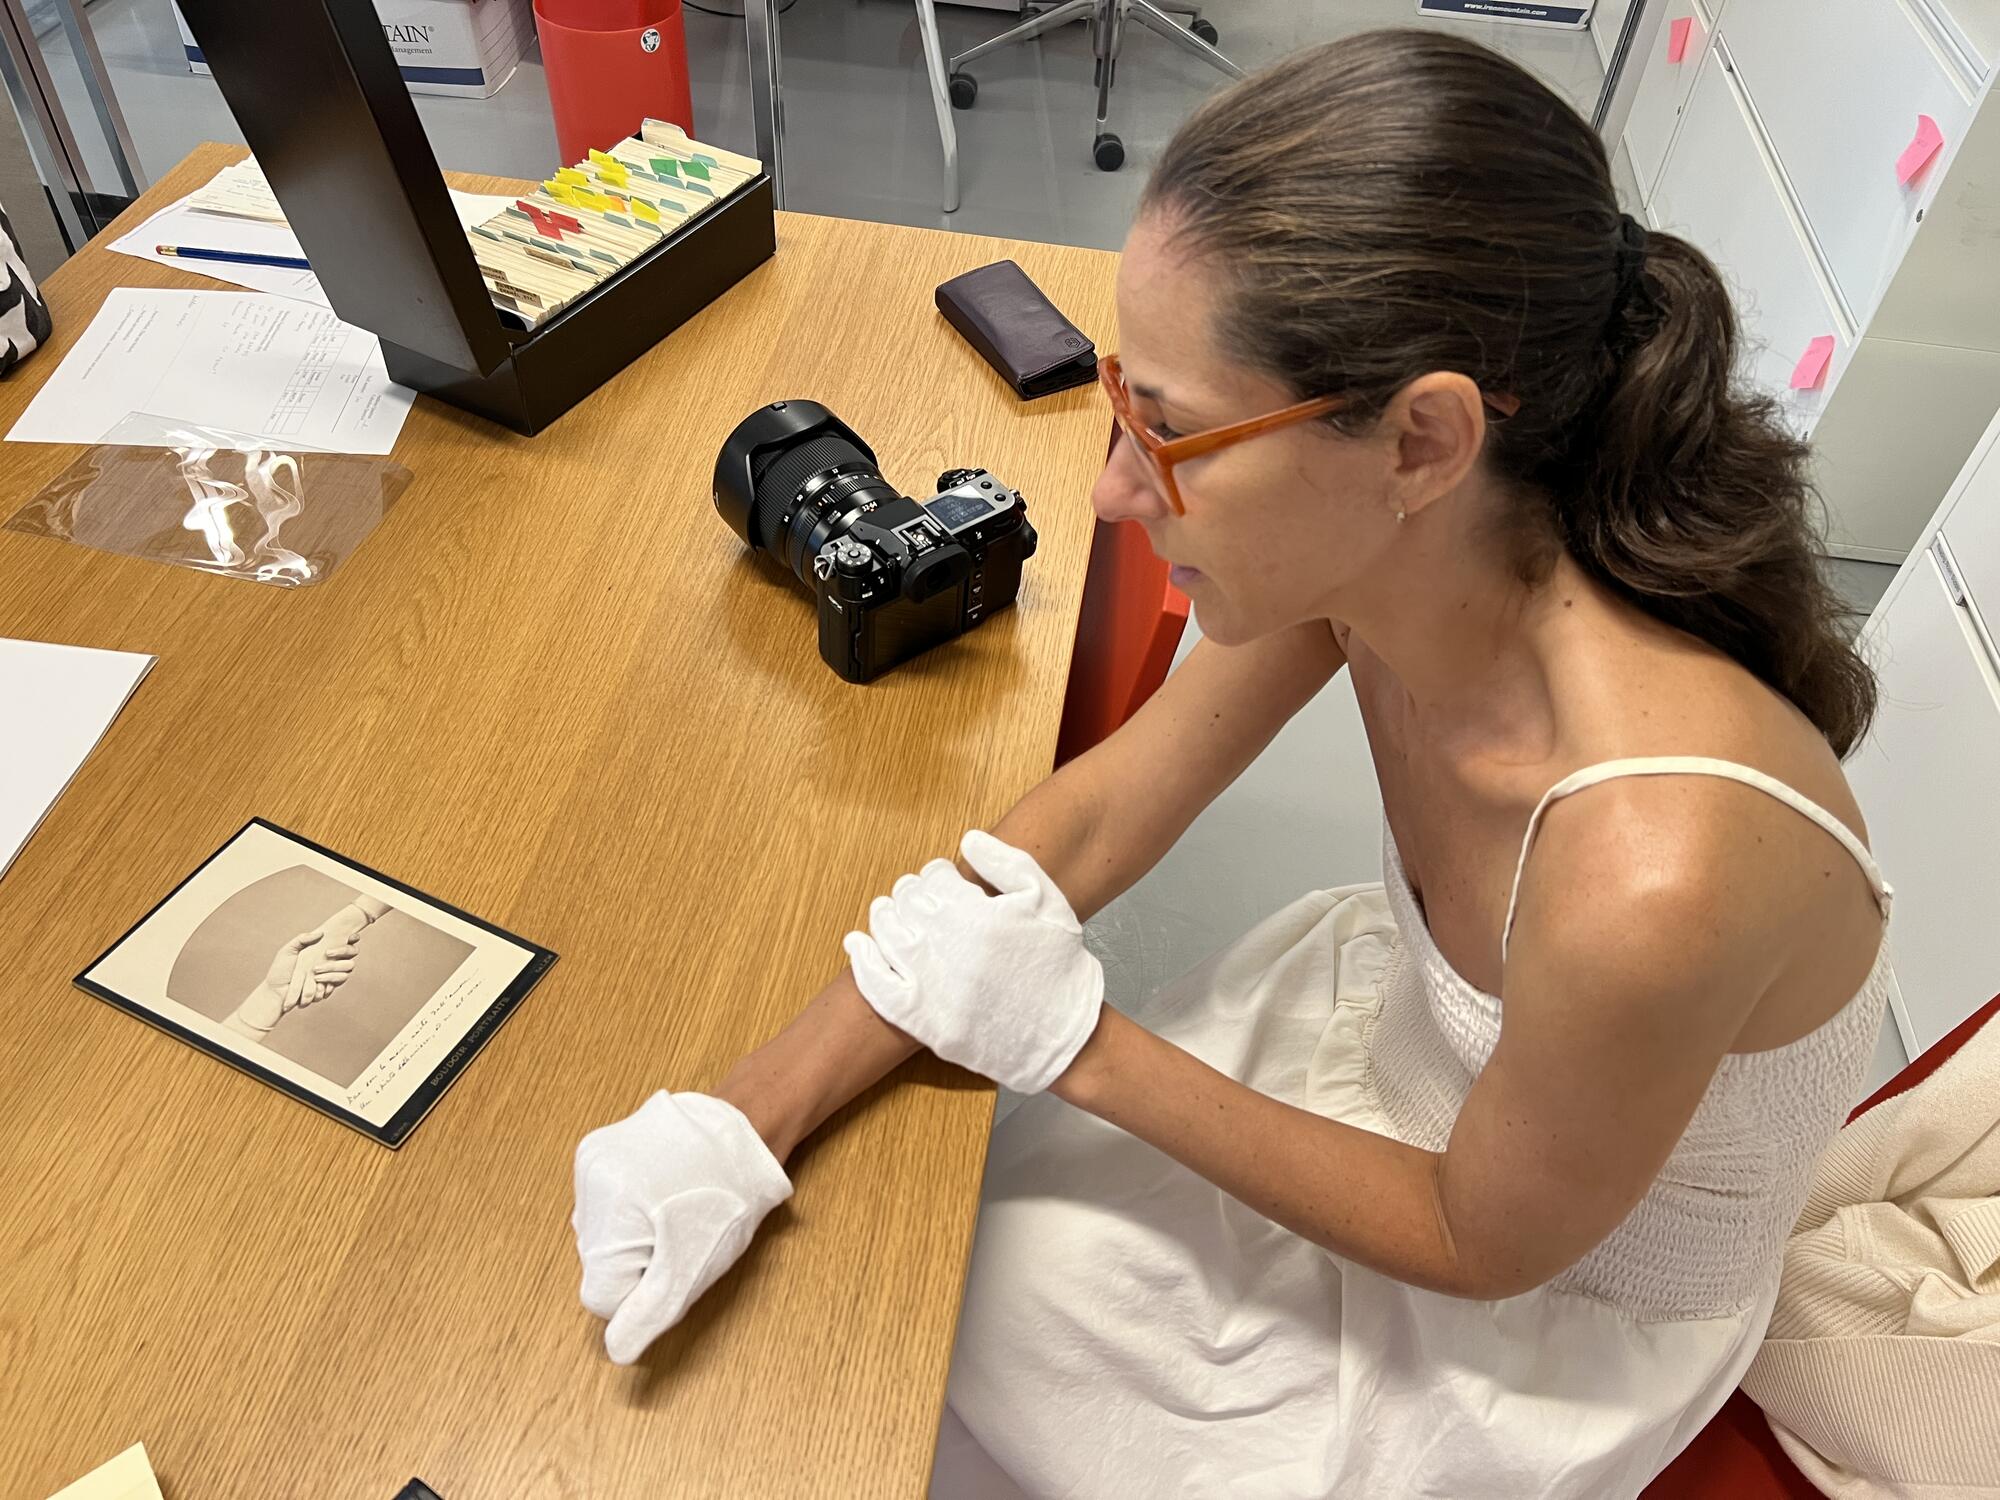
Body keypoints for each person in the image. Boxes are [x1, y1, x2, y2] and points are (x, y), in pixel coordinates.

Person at [571, 30, 1892, 1497]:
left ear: (1421, 442)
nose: (1115, 490)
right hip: (1421, 1076)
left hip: (1542, 1300)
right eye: (1125, 405)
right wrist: (742, 1118)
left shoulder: (1653, 868)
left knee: (928, 1337)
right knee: (913, 1249)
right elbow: (1097, 818)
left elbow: (1479, 1237)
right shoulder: (1401, 561)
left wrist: (1083, 1047)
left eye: (1177, 434)